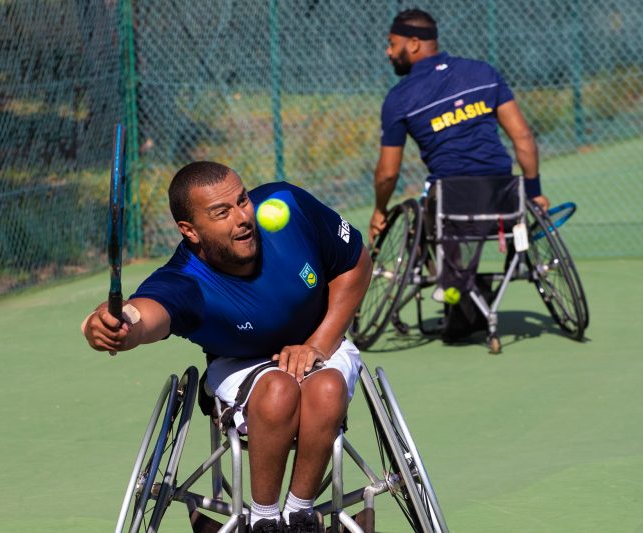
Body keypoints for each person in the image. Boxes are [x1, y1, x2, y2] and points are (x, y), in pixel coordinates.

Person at [82, 161, 371, 533]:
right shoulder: (185, 281)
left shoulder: (288, 206)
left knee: (328, 388)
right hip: (241, 364)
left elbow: (356, 264)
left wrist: (318, 343)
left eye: (242, 201)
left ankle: (300, 515)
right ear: (191, 231)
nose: (242, 218)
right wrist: (111, 325)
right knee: (280, 389)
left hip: (320, 343)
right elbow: (145, 314)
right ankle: (263, 520)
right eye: (221, 212)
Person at [369, 8, 549, 342]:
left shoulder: (399, 98)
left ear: (413, 43)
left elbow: (387, 174)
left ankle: (456, 294)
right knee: (463, 217)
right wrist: (534, 191)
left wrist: (380, 210)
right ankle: (468, 299)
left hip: (450, 205)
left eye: (392, 44)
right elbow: (523, 137)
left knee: (422, 222)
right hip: (505, 197)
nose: (388, 52)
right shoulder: (483, 72)